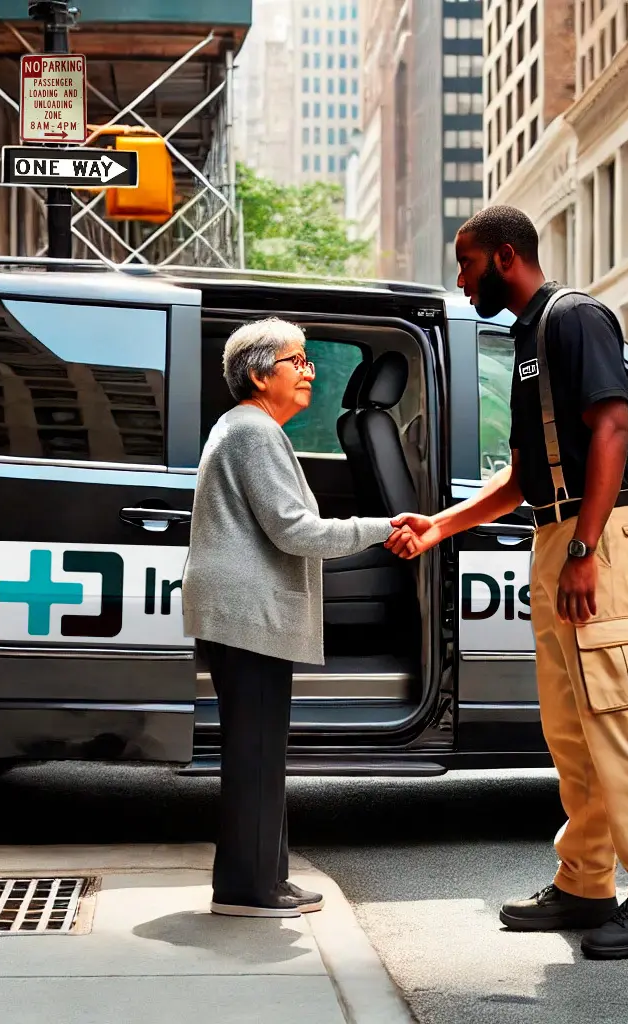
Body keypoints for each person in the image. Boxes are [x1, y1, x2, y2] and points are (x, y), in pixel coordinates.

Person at [388, 205, 628, 960]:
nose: (460, 282)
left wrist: (588, 546)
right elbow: (524, 478)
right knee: (572, 730)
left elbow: (613, 427)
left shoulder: (575, 318)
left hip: (600, 533)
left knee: (619, 718)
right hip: (556, 533)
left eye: (465, 264)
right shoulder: (528, 339)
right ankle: (586, 880)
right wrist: (437, 526)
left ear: (503, 257)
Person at [182, 317, 425, 918]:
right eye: (298, 360)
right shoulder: (252, 431)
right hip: (247, 614)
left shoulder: (252, 428)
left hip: (247, 612)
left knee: (260, 751)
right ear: (261, 374)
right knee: (255, 753)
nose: (309, 370)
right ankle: (246, 890)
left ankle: (268, 879)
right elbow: (294, 530)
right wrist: (385, 527)